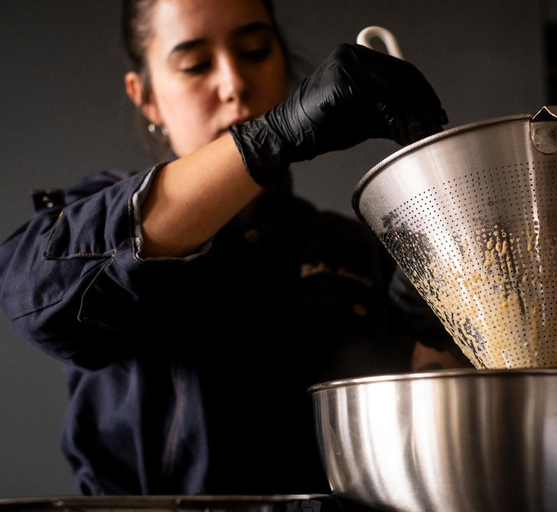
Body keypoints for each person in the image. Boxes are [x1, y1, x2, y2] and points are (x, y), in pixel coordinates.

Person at [0, 0, 466, 496]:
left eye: (255, 51)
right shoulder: (93, 218)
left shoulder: (352, 245)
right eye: (196, 64)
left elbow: (426, 438)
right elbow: (33, 296)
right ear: (147, 97)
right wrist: (271, 137)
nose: (234, 83)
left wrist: (434, 333)